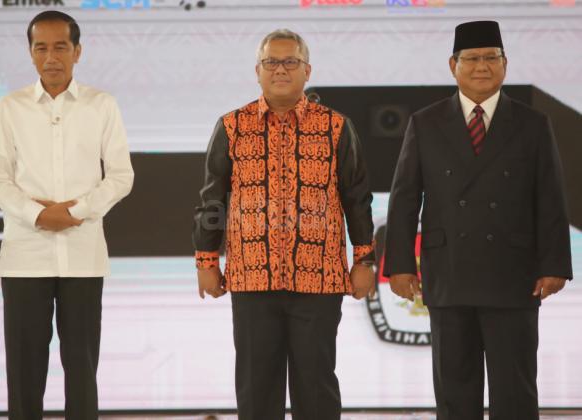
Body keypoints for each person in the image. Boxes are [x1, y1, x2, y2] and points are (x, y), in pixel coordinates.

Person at [383, 20, 573, 420]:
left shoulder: (532, 123)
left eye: (491, 57)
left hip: (514, 274)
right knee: (455, 392)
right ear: (453, 65)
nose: (482, 66)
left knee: (516, 391)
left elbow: (550, 198)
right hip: (449, 272)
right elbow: (404, 199)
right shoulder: (425, 122)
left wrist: (555, 264)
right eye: (471, 58)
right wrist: (399, 265)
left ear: (505, 64)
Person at [193, 29, 375, 420]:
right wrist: (206, 261)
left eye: (290, 61)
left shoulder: (336, 127)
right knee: (257, 388)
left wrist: (364, 260)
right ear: (257, 71)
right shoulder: (232, 126)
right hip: (252, 278)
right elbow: (212, 199)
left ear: (307, 71)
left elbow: (357, 198)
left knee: (316, 386)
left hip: (319, 278)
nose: (280, 70)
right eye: (271, 62)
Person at [0, 10, 134, 420]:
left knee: (82, 368)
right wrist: (37, 215)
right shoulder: (10, 107)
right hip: (24, 256)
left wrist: (76, 212)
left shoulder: (102, 105)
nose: (51, 57)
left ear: (77, 51)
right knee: (24, 371)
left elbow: (121, 176)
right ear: (31, 53)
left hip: (83, 254)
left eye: (61, 47)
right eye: (41, 48)